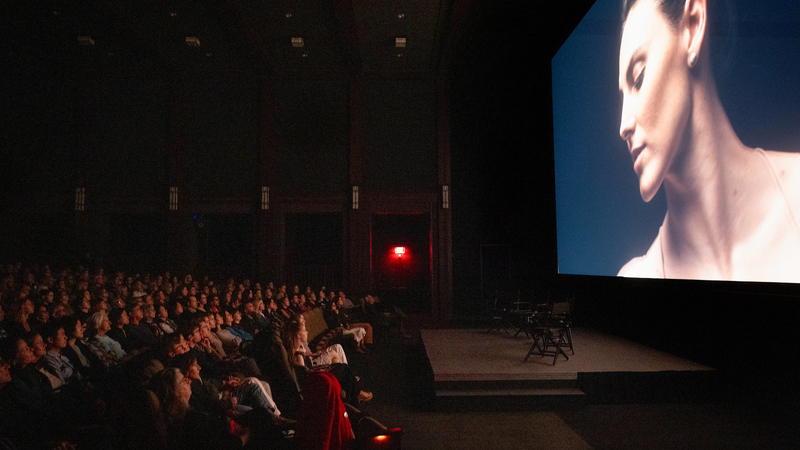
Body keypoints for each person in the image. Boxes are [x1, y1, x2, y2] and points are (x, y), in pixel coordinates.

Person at [617, 0, 800, 281]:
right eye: (622, 96)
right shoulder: (638, 278)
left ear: (693, 24)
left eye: (638, 78)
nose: (623, 125)